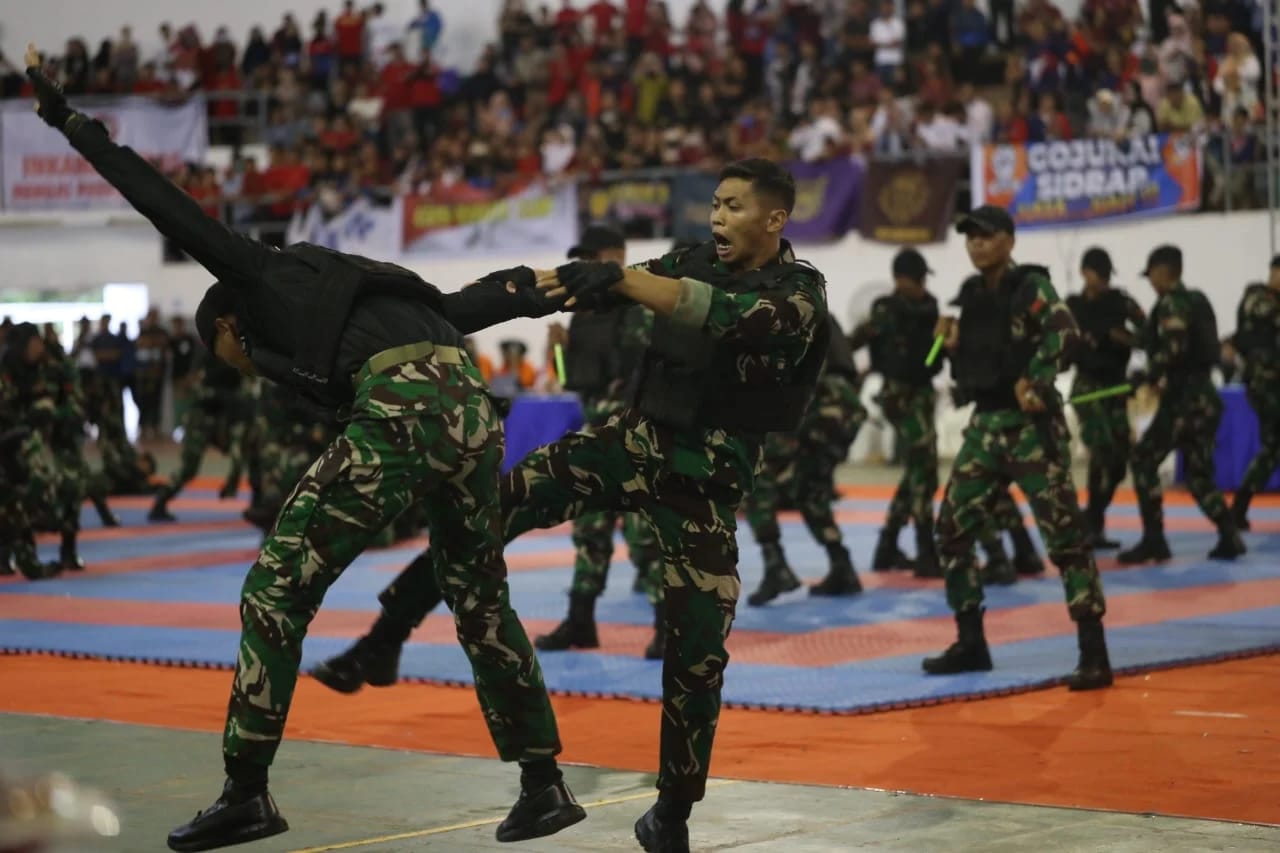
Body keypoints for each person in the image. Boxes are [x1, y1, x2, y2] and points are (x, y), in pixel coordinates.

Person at [23, 49, 586, 852]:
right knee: (480, 599)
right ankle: (544, 783)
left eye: (231, 356)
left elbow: (161, 202)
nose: (246, 368)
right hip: (469, 412)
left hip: (405, 408)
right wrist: (538, 287)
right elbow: (464, 304)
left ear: (226, 325)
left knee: (274, 589)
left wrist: (70, 122)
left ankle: (245, 793)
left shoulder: (258, 277)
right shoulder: (355, 287)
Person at [312, 158, 828, 852]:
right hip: (632, 443)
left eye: (734, 206)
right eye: (714, 204)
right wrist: (483, 298)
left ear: (774, 218)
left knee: (699, 652)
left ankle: (672, 812)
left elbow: (716, 311)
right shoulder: (690, 259)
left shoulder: (798, 293)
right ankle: (383, 639)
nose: (717, 217)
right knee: (486, 510)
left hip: (701, 487)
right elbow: (601, 285)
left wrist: (618, 278)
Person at [921, 205, 1112, 691]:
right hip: (986, 425)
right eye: (970, 237)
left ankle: (1094, 653)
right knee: (951, 532)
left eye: (985, 236)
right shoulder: (971, 296)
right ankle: (971, 642)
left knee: (1066, 538)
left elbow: (1066, 332)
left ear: (1008, 241)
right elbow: (975, 363)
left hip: (1030, 427)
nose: (976, 244)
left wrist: (1038, 377)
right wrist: (950, 345)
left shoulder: (1031, 286)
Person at [534, 224, 665, 657]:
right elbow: (570, 379)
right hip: (596, 437)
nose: (584, 266)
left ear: (616, 256)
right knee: (589, 529)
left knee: (644, 536)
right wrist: (557, 350)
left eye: (592, 257)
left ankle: (668, 627)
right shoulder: (584, 312)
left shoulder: (639, 304)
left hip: (633, 437)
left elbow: (647, 372)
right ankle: (580, 621)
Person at [1119, 245, 1247, 564]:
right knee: (1199, 475)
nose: (1151, 282)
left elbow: (1174, 349)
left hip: (1183, 402)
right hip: (1205, 399)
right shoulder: (1197, 301)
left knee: (1143, 459)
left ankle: (1154, 540)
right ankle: (1229, 534)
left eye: (1151, 275)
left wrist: (1145, 376)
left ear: (1164, 271)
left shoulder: (1172, 303)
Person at [743, 313, 865, 604]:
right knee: (809, 488)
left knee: (756, 478)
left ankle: (775, 566)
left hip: (816, 402)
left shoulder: (779, 310)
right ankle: (842, 565)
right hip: (846, 406)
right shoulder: (820, 312)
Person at [850, 248, 944, 578]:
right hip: (899, 396)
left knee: (921, 471)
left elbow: (935, 352)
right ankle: (925, 550)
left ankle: (887, 547)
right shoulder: (886, 309)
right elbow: (856, 340)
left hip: (923, 394)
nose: (922, 285)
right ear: (900, 280)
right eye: (916, 279)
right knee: (923, 470)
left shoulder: (930, 308)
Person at [1066, 248, 1146, 549]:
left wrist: (1123, 338)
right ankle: (1092, 525)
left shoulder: (1121, 302)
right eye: (1097, 274)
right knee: (1101, 450)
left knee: (1119, 460)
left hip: (1115, 386)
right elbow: (1052, 339)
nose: (1102, 280)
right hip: (1087, 387)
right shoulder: (1071, 306)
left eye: (1105, 275)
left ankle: (1092, 520)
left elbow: (1150, 335)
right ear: (1085, 273)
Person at [1224, 258, 1280, 530]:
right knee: (1273, 447)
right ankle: (1238, 507)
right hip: (1265, 384)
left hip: (1270, 382)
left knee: (1273, 449)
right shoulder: (1258, 298)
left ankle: (1239, 507)